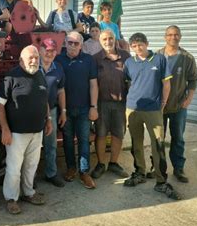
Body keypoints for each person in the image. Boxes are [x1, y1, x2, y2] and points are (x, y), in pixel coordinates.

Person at [123, 32, 181, 200]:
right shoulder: (129, 62)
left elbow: (166, 84)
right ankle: (139, 172)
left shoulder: (159, 59)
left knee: (158, 144)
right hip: (133, 108)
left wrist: (162, 104)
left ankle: (161, 181)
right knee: (136, 143)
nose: (138, 48)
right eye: (134, 46)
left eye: (140, 44)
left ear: (147, 44)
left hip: (153, 109)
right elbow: (128, 83)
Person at [0, 45, 52, 214]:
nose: (34, 61)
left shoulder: (40, 74)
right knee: (14, 168)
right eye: (30, 58)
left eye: (36, 57)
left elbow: (45, 100)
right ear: (21, 60)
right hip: (16, 133)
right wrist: (5, 129)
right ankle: (11, 198)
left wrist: (48, 119)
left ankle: (28, 193)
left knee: (31, 165)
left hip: (37, 131)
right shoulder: (11, 77)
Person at [55, 31, 98, 189]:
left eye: (76, 43)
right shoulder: (58, 59)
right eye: (70, 42)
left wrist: (94, 107)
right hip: (64, 109)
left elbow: (93, 84)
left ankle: (84, 172)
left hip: (84, 108)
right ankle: (71, 168)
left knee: (83, 140)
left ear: (81, 45)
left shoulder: (88, 60)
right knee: (67, 141)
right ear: (65, 43)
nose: (72, 46)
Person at [157, 25, 197, 183]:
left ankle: (178, 168)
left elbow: (193, 79)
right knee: (158, 138)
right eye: (170, 35)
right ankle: (158, 167)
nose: (173, 37)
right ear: (165, 37)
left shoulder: (187, 57)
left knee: (178, 138)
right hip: (159, 107)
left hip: (179, 106)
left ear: (180, 36)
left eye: (176, 35)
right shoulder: (157, 56)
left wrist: (188, 100)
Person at [91, 30, 130, 179]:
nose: (108, 41)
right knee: (100, 134)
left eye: (111, 38)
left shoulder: (125, 56)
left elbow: (132, 78)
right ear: (100, 41)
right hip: (101, 103)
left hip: (120, 103)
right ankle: (101, 164)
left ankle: (113, 163)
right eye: (105, 39)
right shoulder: (95, 59)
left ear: (115, 39)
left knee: (118, 134)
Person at [39, 38, 67, 187]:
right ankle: (28, 179)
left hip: (53, 110)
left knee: (51, 145)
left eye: (52, 51)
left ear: (55, 52)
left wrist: (63, 111)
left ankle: (51, 173)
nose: (49, 53)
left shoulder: (58, 68)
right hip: (34, 112)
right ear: (40, 50)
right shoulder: (32, 65)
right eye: (46, 50)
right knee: (32, 146)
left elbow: (61, 91)